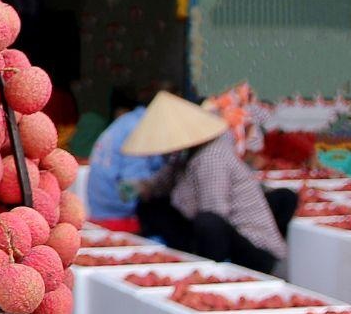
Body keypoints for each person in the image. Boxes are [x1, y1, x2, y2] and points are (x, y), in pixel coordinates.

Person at [125, 92, 298, 273]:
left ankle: (210, 274)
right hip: (220, 229)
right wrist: (141, 188)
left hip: (251, 244)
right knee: (152, 206)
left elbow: (215, 213)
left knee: (208, 223)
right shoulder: (185, 154)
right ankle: (185, 255)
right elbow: (161, 183)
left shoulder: (211, 156)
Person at [83, 88, 165, 232]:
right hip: (117, 216)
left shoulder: (127, 121)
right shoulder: (139, 129)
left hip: (98, 210)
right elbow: (129, 188)